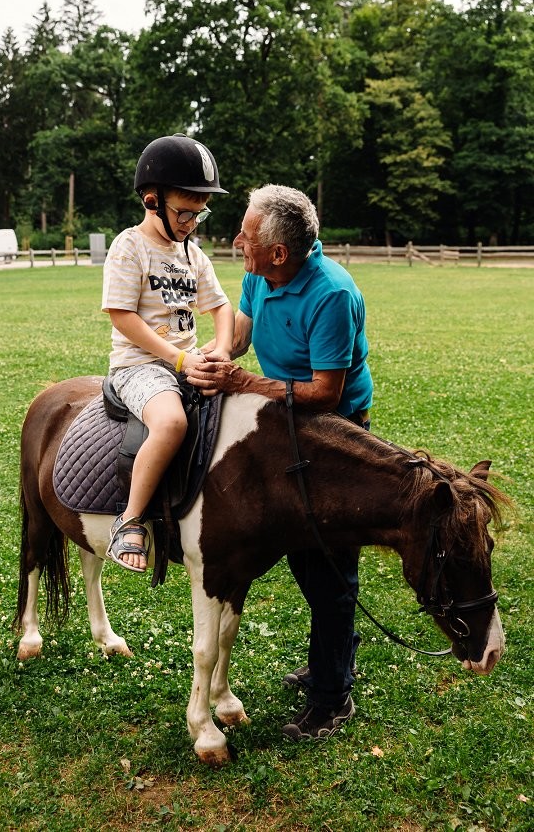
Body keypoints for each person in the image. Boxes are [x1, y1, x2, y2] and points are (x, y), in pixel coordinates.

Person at [186, 184, 373, 740]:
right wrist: (214, 360)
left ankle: (333, 696)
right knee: (302, 555)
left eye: (248, 234)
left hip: (336, 433)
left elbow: (326, 392)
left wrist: (243, 382)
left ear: (279, 253)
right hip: (286, 426)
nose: (238, 239)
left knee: (330, 570)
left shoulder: (331, 293)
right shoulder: (260, 276)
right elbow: (240, 336)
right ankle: (331, 664)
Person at [102, 133, 234, 573]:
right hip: (140, 366)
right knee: (173, 421)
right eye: (184, 212)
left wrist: (222, 350)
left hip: (188, 360)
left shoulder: (193, 254)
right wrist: (179, 360)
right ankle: (130, 519)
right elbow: (122, 317)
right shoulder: (129, 247)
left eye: (200, 214)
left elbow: (220, 306)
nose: (191, 223)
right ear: (151, 199)